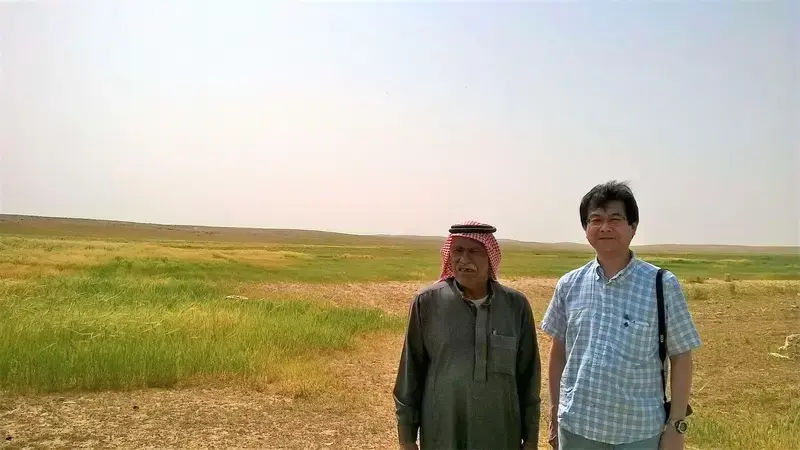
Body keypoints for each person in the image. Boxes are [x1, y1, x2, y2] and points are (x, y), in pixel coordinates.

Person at [541, 181, 702, 450]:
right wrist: (554, 415)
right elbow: (558, 353)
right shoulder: (569, 284)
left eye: (615, 219)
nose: (605, 227)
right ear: (585, 229)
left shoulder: (661, 284)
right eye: (596, 219)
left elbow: (681, 356)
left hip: (639, 432)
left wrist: (676, 427)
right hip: (577, 427)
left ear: (633, 227)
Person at [392, 221, 542, 450]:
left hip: (501, 433)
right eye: (458, 251)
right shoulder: (427, 302)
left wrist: (531, 438)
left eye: (474, 252)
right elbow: (410, 374)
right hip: (443, 431)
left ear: (490, 256)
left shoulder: (516, 306)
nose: (464, 260)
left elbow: (528, 377)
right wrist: (407, 439)